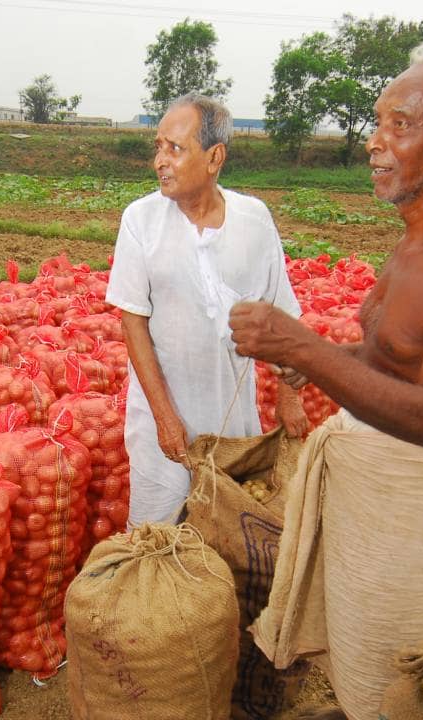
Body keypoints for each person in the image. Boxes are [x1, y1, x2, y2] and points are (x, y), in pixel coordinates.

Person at [233, 40, 423, 719]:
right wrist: (310, 354)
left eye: (400, 124)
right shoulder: (418, 238)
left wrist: (307, 350)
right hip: (376, 492)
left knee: (398, 676)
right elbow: (394, 363)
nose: (374, 143)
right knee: (359, 661)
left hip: (416, 505)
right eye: (378, 122)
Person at [105, 92, 308, 527]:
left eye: (175, 148)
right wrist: (164, 419)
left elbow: (281, 312)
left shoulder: (254, 220)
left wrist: (289, 398)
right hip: (162, 425)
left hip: (234, 424)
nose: (160, 160)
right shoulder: (141, 220)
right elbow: (133, 322)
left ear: (215, 156)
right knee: (157, 536)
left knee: (228, 537)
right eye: (157, 147)